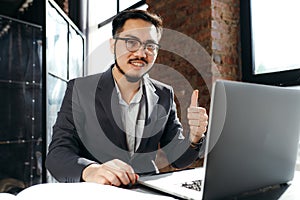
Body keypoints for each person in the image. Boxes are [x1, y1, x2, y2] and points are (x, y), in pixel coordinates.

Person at [45, 9, 208, 187]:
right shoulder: (80, 89)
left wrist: (195, 137)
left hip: (147, 190)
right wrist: (92, 170)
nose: (141, 53)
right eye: (131, 42)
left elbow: (177, 159)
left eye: (150, 46)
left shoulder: (164, 94)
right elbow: (57, 155)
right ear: (113, 45)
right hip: (100, 192)